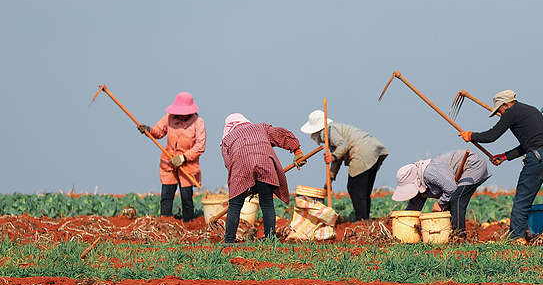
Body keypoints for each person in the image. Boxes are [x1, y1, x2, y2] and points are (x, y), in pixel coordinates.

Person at [459, 90, 543, 243]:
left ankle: (517, 238)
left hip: (538, 157)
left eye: (500, 110)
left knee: (522, 200)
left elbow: (491, 136)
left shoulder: (510, 112)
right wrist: (505, 156)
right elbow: (530, 143)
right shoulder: (531, 110)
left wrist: (471, 136)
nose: (500, 114)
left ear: (505, 105)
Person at [221, 114, 305, 244]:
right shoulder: (261, 128)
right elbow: (282, 134)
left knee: (235, 205)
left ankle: (229, 240)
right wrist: (297, 151)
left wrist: (246, 181)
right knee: (267, 203)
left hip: (241, 165)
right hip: (265, 162)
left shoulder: (227, 139)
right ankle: (270, 239)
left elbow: (229, 164)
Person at [300, 111, 388, 222]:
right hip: (373, 150)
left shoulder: (328, 131)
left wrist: (333, 157)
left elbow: (343, 146)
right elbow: (338, 158)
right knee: (363, 190)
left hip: (362, 152)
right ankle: (365, 219)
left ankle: (362, 220)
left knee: (355, 188)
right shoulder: (333, 130)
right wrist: (330, 178)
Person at [138, 92, 206, 222]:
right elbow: (158, 131)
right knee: (166, 196)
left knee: (186, 198)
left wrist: (183, 158)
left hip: (187, 166)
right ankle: (165, 222)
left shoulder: (198, 123)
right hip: (168, 163)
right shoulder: (169, 118)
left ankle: (188, 223)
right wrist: (148, 130)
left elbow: (200, 146)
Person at [392, 150, 491, 239]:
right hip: (460, 175)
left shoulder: (430, 173)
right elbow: (413, 208)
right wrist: (404, 224)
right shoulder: (421, 185)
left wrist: (440, 204)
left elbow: (451, 188)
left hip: (472, 164)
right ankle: (451, 234)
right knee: (451, 201)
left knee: (457, 199)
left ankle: (459, 236)